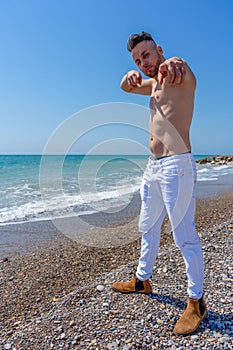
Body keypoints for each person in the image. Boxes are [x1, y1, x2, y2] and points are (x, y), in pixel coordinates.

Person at [112, 32, 206, 335]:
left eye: (147, 56)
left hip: (178, 165)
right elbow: (127, 87)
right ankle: (142, 280)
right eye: (138, 60)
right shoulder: (152, 85)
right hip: (153, 168)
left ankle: (196, 302)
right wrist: (128, 76)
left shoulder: (180, 75)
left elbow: (182, 67)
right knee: (147, 226)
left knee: (184, 236)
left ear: (160, 50)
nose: (144, 63)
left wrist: (177, 62)